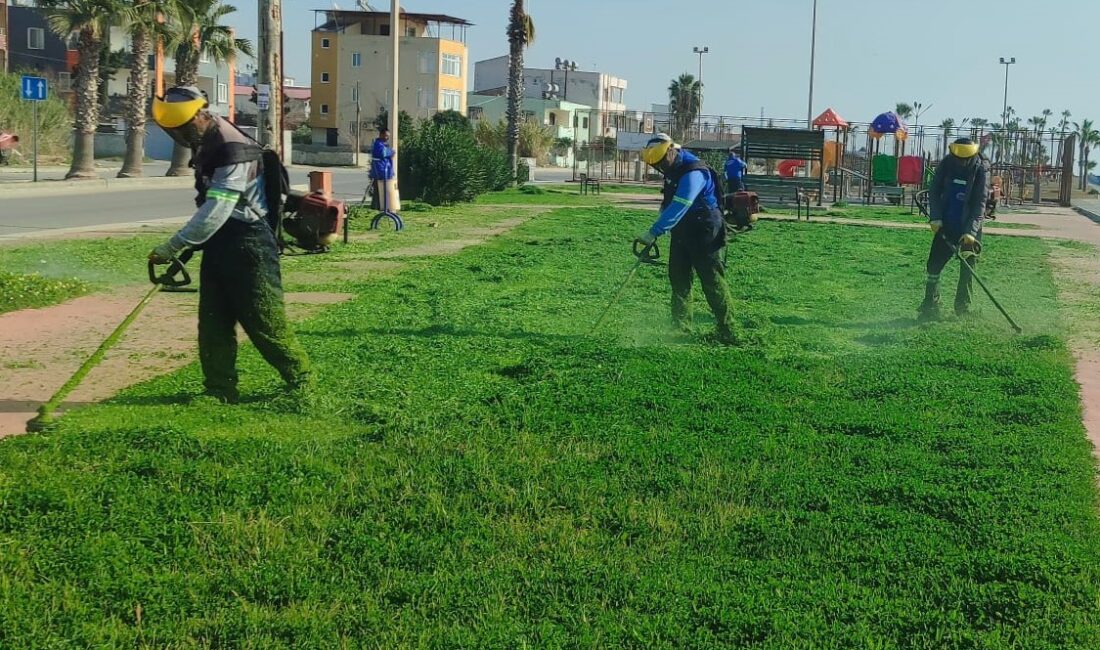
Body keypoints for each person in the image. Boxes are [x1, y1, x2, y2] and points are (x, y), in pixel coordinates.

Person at [148, 85, 311, 404]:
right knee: (213, 321)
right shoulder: (206, 140)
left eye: (182, 129)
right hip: (220, 240)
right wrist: (196, 242)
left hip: (250, 243)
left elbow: (218, 207)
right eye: (174, 131)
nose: (179, 136)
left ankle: (301, 380)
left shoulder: (232, 147)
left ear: (199, 116)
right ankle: (219, 388)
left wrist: (174, 245)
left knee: (264, 320)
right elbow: (212, 209)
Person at [637, 134, 736, 344]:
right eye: (656, 165)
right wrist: (661, 220)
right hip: (682, 228)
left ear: (672, 150)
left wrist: (655, 231)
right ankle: (680, 328)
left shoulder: (694, 172)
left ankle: (727, 329)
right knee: (679, 277)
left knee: (711, 279)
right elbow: (669, 203)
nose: (660, 168)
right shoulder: (671, 168)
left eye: (662, 162)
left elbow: (681, 203)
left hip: (705, 227)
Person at [919, 137, 989, 320]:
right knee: (934, 265)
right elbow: (934, 191)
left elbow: (980, 203)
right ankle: (930, 304)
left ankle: (963, 308)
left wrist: (971, 232)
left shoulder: (980, 169)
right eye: (959, 159)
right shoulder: (946, 164)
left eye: (967, 159)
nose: (962, 162)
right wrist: (936, 217)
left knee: (967, 268)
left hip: (969, 229)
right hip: (946, 225)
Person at [369, 127, 395, 211]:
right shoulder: (378, 144)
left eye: (388, 136)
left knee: (380, 191)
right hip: (380, 172)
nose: (387, 138)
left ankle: (380, 206)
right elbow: (383, 153)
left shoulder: (384, 145)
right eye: (386, 136)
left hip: (384, 172)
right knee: (379, 190)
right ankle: (379, 207)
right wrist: (391, 152)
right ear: (381, 135)